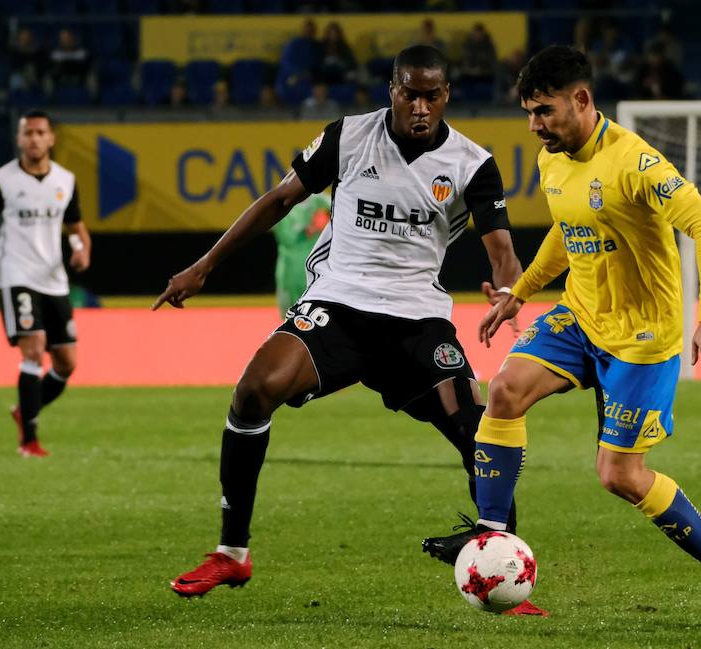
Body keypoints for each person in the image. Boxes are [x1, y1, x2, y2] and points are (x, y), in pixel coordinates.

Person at [153, 45, 539, 613]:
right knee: (253, 389)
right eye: (410, 93)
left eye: (432, 95)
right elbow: (280, 198)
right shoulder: (349, 136)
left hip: (417, 317)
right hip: (341, 303)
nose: (421, 106)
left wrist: (509, 291)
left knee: (476, 429)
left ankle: (506, 569)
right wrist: (204, 265)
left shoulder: (471, 163)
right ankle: (232, 551)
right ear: (392, 90)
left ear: (447, 96)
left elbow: (502, 251)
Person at [422, 46, 701, 630]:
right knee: (502, 390)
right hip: (580, 315)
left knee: (619, 476)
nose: (534, 126)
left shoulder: (635, 161)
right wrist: (520, 292)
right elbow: (566, 229)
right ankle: (493, 533)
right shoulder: (553, 160)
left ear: (581, 100)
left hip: (640, 336)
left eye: (543, 111)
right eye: (528, 112)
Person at [0, 109, 91, 457]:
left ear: (51, 138)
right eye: (27, 133)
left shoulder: (65, 180)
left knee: (66, 363)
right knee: (33, 348)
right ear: (18, 138)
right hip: (16, 276)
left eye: (40, 132)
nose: (34, 139)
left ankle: (24, 410)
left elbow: (76, 229)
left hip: (54, 279)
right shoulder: (3, 180)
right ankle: (28, 440)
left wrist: (82, 250)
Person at [273, 192, 330, 315]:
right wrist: (312, 228)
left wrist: (328, 217)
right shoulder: (283, 207)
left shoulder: (321, 201)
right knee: (289, 313)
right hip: (291, 271)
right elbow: (287, 237)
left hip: (319, 271)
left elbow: (344, 210)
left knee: (317, 314)